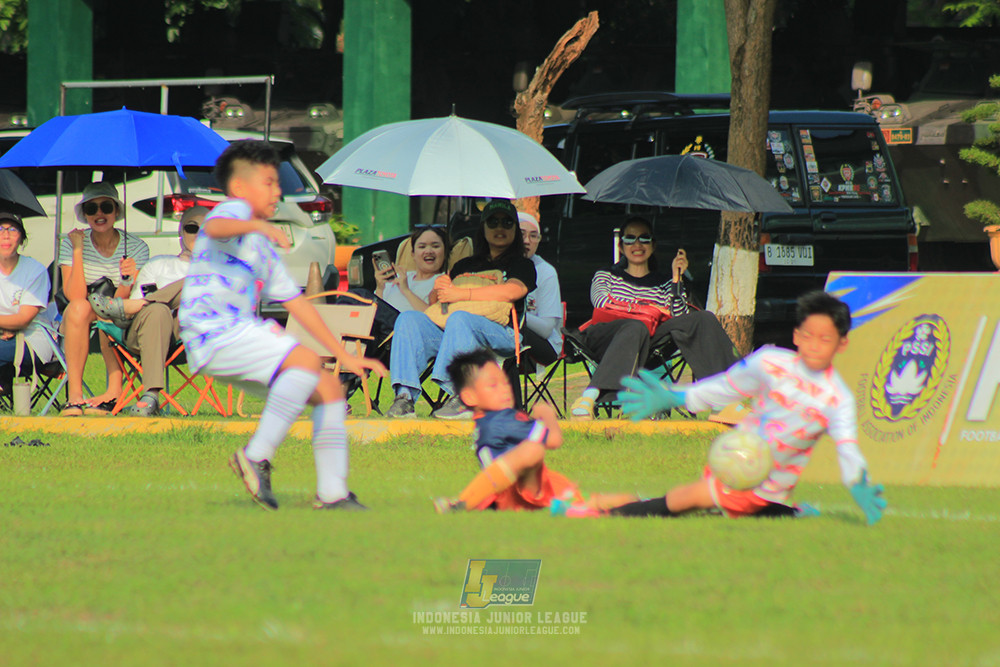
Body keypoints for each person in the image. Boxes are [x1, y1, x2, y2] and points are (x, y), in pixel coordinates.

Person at [178, 140, 386, 511]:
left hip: (228, 337)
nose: (279, 191)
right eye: (270, 182)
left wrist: (342, 355)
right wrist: (256, 222)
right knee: (305, 362)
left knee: (328, 388)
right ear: (240, 187)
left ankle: (333, 493)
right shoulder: (234, 209)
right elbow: (218, 227)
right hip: (215, 330)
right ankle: (256, 455)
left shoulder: (262, 244)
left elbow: (299, 306)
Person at [559, 291, 887, 524]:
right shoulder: (770, 362)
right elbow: (724, 387)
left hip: (770, 488)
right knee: (682, 502)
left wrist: (857, 481)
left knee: (685, 504)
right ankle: (596, 511)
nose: (815, 345)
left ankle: (790, 513)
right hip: (736, 464)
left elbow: (847, 447)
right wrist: (675, 396)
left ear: (842, 343)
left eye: (825, 339)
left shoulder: (837, 398)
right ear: (796, 335)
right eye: (809, 336)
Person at [569, 215, 737, 420]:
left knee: (703, 318)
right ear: (621, 246)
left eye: (644, 238)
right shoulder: (606, 275)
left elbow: (679, 317)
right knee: (636, 326)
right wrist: (651, 309)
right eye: (630, 239)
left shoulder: (665, 283)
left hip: (649, 343)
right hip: (606, 337)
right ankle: (588, 397)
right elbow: (602, 303)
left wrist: (676, 279)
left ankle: (724, 400)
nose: (637, 244)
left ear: (653, 245)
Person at [432, 348, 637, 513]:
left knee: (603, 503)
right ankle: (462, 504)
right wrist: (547, 414)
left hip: (508, 494)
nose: (504, 389)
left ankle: (638, 504)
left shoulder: (483, 421)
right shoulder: (504, 420)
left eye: (504, 382)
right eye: (493, 385)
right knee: (533, 450)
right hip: (520, 493)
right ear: (470, 397)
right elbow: (554, 440)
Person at [385, 199, 536, 420]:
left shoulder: (522, 264)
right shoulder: (465, 265)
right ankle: (404, 397)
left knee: (460, 318)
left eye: (507, 222)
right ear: (483, 228)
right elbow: (439, 301)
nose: (499, 228)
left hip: (502, 333)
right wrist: (438, 290)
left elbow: (513, 291)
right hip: (455, 331)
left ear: (515, 228)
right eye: (492, 222)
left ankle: (462, 396)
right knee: (408, 319)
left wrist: (462, 294)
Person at [88, 206, 208, 416]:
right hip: (144, 333)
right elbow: (136, 319)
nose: (200, 234)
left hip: (190, 334)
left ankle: (130, 306)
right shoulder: (159, 265)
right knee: (158, 311)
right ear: (181, 233)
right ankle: (150, 396)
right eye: (192, 228)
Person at [59, 181, 150, 416]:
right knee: (80, 308)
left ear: (116, 212)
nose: (99, 214)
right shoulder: (71, 242)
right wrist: (78, 250)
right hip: (79, 309)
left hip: (116, 309)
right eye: (92, 209)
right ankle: (75, 397)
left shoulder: (137, 248)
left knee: (108, 311)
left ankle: (113, 393)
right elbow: (75, 296)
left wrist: (127, 279)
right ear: (85, 215)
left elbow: (121, 301)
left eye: (106, 207)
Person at [0, 212, 56, 388]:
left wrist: (8, 328)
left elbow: (24, 319)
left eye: (13, 229)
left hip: (31, 339)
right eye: (0, 229)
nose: (6, 235)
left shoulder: (34, 270)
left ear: (22, 239)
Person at [518, 212, 562, 364]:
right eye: (521, 234)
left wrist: (514, 312)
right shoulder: (499, 268)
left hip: (543, 346)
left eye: (533, 236)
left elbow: (546, 329)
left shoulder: (546, 272)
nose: (527, 241)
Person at [374, 225, 449, 313]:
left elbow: (436, 318)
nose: (429, 251)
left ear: (445, 253)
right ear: (413, 254)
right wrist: (380, 288)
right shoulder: (399, 276)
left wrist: (406, 290)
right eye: (422, 247)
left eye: (435, 246)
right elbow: (373, 313)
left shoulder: (444, 281)